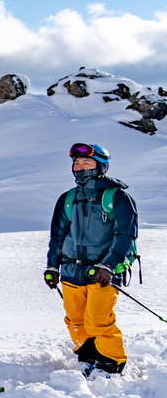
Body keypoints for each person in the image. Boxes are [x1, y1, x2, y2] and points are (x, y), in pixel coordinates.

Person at [45, 143, 137, 377]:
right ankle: (87, 359)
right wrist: (52, 266)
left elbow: (125, 234)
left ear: (101, 167)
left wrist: (108, 265)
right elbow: (58, 235)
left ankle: (110, 365)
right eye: (77, 163)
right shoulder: (68, 199)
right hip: (71, 271)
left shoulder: (117, 196)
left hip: (102, 272)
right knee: (75, 319)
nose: (80, 167)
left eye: (87, 163)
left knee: (98, 321)